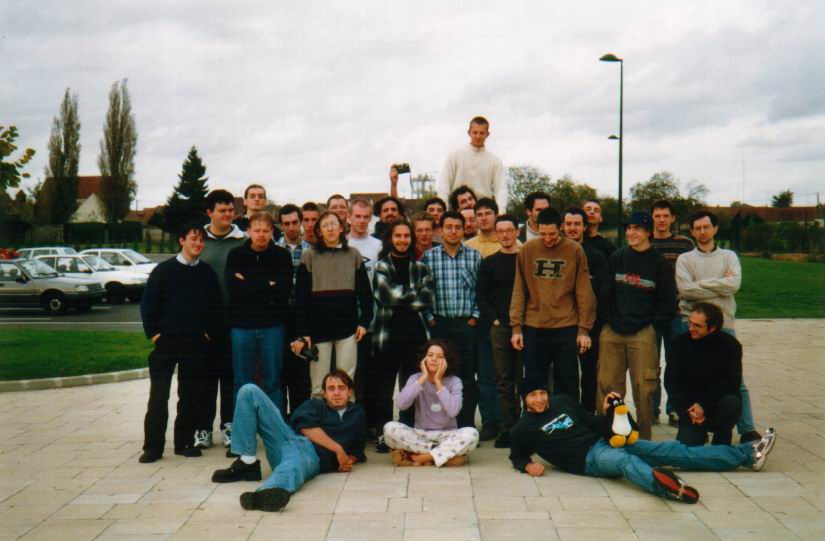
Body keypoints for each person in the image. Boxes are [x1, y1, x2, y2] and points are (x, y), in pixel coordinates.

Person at [510, 380, 777, 504]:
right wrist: (528, 465)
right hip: (588, 460)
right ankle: (668, 488)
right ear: (524, 400)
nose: (539, 399)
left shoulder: (563, 401)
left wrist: (608, 413)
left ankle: (748, 454)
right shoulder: (524, 428)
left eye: (541, 393)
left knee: (671, 449)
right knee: (625, 462)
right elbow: (517, 455)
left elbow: (592, 423)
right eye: (533, 396)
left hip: (605, 440)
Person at [211, 370, 366, 512]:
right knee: (248, 390)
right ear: (324, 393)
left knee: (293, 465)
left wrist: (346, 462)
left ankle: (263, 494)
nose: (336, 393)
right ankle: (247, 462)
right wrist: (338, 449)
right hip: (286, 437)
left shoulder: (358, 415)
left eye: (341, 388)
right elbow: (305, 427)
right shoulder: (315, 404)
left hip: (311, 455)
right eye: (331, 388)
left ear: (350, 392)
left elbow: (357, 450)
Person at [139, 222, 222, 462]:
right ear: (182, 240)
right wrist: (155, 334)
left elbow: (215, 306)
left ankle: (184, 443)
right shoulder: (163, 271)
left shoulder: (206, 273)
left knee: (190, 396)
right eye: (193, 239)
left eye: (201, 240)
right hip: (166, 344)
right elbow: (148, 305)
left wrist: (207, 333)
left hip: (195, 345)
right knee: (159, 397)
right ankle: (153, 447)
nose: (198, 243)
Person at [675, 210, 760, 444]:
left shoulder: (729, 257)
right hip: (693, 325)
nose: (702, 232)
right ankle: (695, 421)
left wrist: (700, 284)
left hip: (724, 324)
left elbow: (733, 285)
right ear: (692, 232)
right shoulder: (685, 259)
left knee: (735, 380)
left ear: (715, 229)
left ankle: (747, 429)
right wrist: (719, 285)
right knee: (692, 376)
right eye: (697, 228)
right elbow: (685, 290)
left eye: (706, 227)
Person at [596, 211, 676, 441]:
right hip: (613, 331)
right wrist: (608, 321)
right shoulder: (617, 258)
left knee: (644, 388)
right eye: (629, 228)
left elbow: (667, 302)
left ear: (648, 232)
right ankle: (609, 436)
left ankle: (644, 441)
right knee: (608, 386)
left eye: (637, 229)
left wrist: (653, 327)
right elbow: (604, 293)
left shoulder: (659, 264)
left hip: (642, 331)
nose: (631, 233)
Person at [510, 208, 596, 400]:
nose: (547, 239)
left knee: (568, 384)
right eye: (543, 234)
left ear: (561, 228)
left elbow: (584, 291)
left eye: (552, 234)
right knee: (534, 383)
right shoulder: (527, 250)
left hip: (565, 327)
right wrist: (516, 327)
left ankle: (568, 417)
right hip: (534, 327)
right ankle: (534, 417)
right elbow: (519, 289)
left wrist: (583, 330)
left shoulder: (574, 250)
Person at [368, 220, 435, 449]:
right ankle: (385, 434)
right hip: (387, 335)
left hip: (415, 336)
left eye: (406, 236)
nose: (402, 240)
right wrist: (413, 294)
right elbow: (385, 295)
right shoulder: (381, 266)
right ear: (390, 238)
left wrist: (401, 297)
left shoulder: (421, 267)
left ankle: (407, 432)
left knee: (412, 386)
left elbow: (427, 299)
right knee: (383, 388)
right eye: (398, 236)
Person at [291, 211, 373, 396]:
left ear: (341, 228)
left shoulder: (353, 255)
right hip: (318, 330)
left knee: (346, 381)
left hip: (348, 329)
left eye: (333, 224)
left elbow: (365, 294)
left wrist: (364, 322)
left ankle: (346, 414)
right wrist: (304, 331)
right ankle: (318, 415)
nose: (330, 228)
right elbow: (301, 298)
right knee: (319, 385)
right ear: (319, 231)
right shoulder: (309, 256)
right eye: (325, 225)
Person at [225, 212, 293, 413]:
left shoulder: (282, 256)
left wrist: (248, 283)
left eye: (265, 230)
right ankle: (243, 426)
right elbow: (233, 289)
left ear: (272, 232)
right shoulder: (235, 255)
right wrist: (267, 284)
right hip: (242, 327)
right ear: (248, 231)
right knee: (242, 381)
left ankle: (275, 427)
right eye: (257, 230)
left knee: (272, 380)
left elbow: (283, 291)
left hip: (272, 326)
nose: (261, 234)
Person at [422, 211, 481, 429]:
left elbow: (481, 291)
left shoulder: (474, 257)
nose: (453, 231)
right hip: (440, 324)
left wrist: (474, 317)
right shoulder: (429, 257)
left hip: (466, 324)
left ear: (464, 229)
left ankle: (466, 425)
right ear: (441, 230)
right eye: (449, 227)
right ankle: (442, 424)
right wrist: (430, 319)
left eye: (458, 227)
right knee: (440, 373)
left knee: (467, 376)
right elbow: (422, 292)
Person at [198, 189, 245, 451]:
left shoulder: (243, 241)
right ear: (210, 213)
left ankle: (229, 425)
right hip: (205, 323)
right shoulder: (199, 240)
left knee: (230, 377)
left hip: (234, 320)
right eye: (222, 211)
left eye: (230, 210)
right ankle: (203, 428)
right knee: (205, 378)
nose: (228, 215)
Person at [383, 340, 479, 467]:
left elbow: (453, 411)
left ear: (447, 361)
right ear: (424, 359)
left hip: (447, 435)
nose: (434, 359)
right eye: (430, 355)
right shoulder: (415, 378)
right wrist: (422, 378)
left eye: (440, 356)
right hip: (420, 435)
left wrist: (439, 381)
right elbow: (401, 404)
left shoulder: (455, 381)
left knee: (472, 434)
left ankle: (421, 457)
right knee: (389, 428)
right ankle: (443, 456)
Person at [666, 303, 743, 446]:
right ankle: (696, 432)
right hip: (690, 408)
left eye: (697, 326)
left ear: (712, 328)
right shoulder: (679, 344)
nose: (690, 328)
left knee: (732, 402)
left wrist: (703, 404)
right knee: (687, 450)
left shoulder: (730, 345)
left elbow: (731, 383)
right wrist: (689, 411)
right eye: (690, 323)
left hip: (716, 404)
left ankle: (722, 437)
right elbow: (672, 383)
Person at [476, 214, 523, 448]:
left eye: (509, 230)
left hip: (526, 327)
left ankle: (527, 427)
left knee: (525, 379)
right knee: (503, 380)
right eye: (500, 231)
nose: (505, 235)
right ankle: (509, 428)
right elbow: (481, 295)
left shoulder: (525, 259)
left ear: (517, 232)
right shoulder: (490, 263)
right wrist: (494, 319)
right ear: (496, 234)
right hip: (500, 328)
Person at [649, 200, 694, 425]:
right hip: (651, 313)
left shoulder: (685, 244)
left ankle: (675, 409)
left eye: (666, 216)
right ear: (652, 218)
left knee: (676, 362)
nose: (661, 220)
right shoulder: (646, 242)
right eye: (657, 216)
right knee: (650, 364)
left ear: (673, 218)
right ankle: (651, 409)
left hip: (677, 311)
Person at [561, 207, 610, 413]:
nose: (572, 228)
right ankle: (567, 414)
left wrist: (593, 325)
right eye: (568, 224)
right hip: (561, 324)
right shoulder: (555, 252)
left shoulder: (596, 256)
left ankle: (588, 414)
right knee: (565, 375)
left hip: (589, 325)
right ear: (562, 226)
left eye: (577, 224)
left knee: (589, 374)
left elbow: (603, 293)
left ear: (584, 227)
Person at [465, 197, 506, 440]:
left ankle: (507, 420)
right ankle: (490, 421)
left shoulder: (512, 243)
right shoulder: (469, 246)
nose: (483, 218)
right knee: (485, 375)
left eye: (488, 213)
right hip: (478, 320)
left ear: (496, 215)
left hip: (504, 320)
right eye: (478, 214)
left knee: (506, 375)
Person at [276, 204, 313, 415]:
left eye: (295, 222)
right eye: (286, 223)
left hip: (303, 316)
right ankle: (280, 421)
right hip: (279, 316)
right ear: (281, 225)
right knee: (279, 373)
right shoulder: (273, 250)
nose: (291, 227)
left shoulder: (312, 251)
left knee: (301, 375)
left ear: (301, 222)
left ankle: (300, 421)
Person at [346, 198, 382, 411]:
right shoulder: (342, 244)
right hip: (348, 317)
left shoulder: (377, 245)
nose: (361, 221)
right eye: (357, 216)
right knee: (350, 372)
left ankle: (370, 419)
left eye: (365, 217)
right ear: (348, 217)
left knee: (370, 372)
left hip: (372, 319)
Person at [438, 116, 507, 209]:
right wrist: (443, 209)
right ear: (469, 132)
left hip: (483, 211)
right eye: (475, 132)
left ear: (487, 134)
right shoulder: (454, 156)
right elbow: (444, 185)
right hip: (458, 209)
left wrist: (501, 211)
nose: (478, 136)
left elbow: (501, 189)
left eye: (482, 133)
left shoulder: (495, 161)